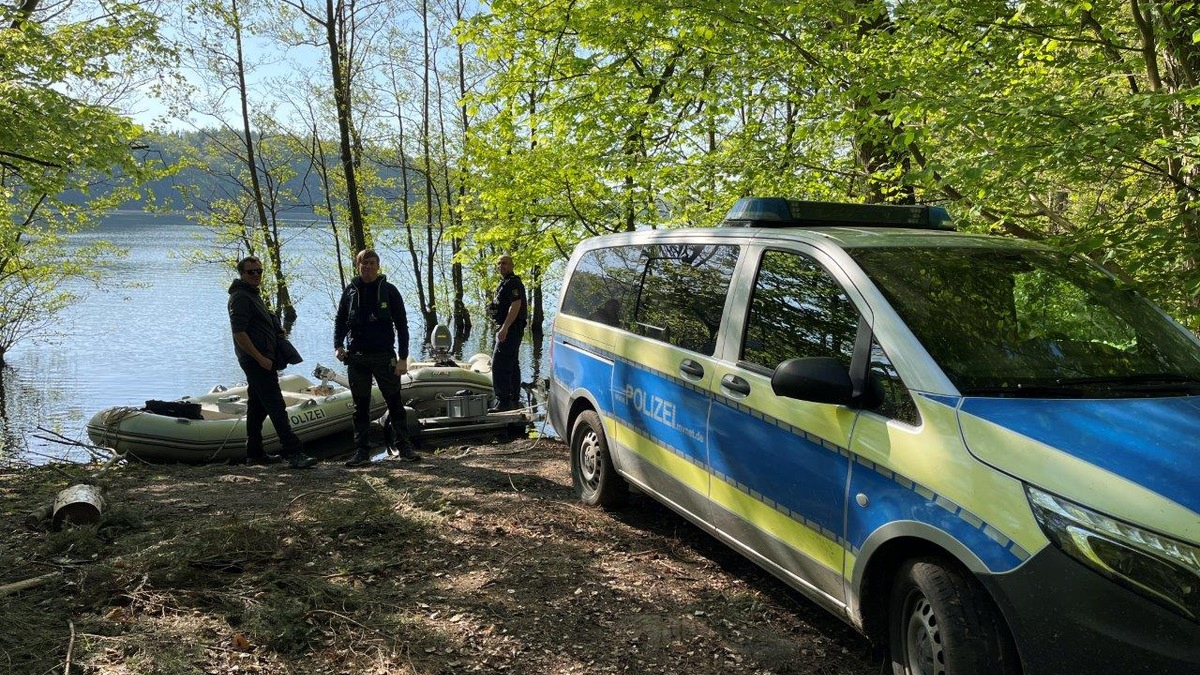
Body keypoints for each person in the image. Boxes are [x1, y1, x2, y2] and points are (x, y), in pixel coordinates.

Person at [227, 256, 318, 469]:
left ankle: (254, 453)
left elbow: (258, 324)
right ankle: (294, 453)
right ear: (242, 274)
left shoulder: (253, 295)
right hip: (256, 361)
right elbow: (239, 333)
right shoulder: (240, 297)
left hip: (264, 359)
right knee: (276, 404)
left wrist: (276, 329)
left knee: (257, 407)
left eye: (259, 271)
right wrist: (259, 358)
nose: (256, 275)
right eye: (251, 272)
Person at [334, 249, 420, 466]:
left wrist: (402, 358)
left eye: (372, 263)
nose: (368, 267)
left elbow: (402, 326)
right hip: (357, 357)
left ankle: (404, 447)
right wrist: (338, 345)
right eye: (364, 263)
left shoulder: (389, 291)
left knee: (394, 401)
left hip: (384, 356)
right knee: (360, 406)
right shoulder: (351, 291)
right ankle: (362, 451)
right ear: (358, 266)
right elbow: (340, 320)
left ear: (378, 266)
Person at [489, 254, 527, 412]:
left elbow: (516, 304)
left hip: (510, 330)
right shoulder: (504, 283)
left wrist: (505, 327)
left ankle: (503, 402)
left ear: (512, 265)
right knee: (512, 364)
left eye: (504, 263)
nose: (501, 266)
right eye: (498, 263)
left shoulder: (513, 283)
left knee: (499, 364)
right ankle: (513, 400)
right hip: (509, 329)